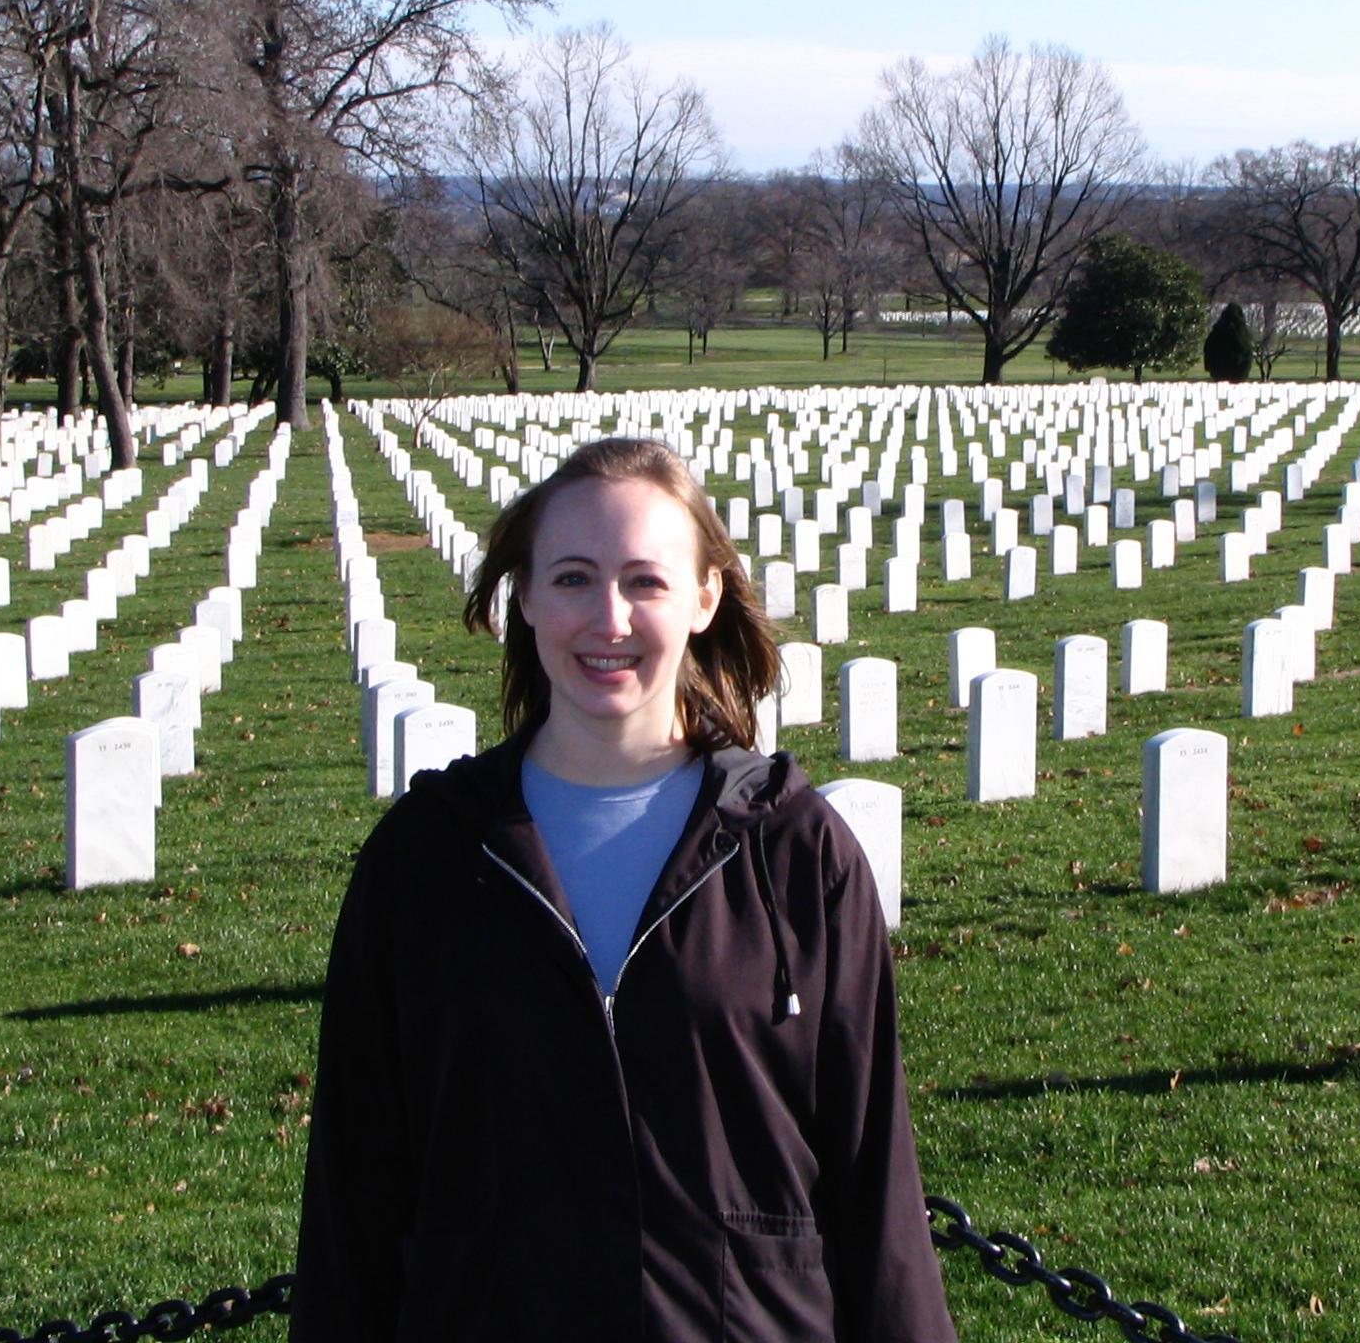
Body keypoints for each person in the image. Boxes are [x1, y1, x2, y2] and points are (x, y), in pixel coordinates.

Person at [291, 435, 957, 1343]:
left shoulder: (796, 852)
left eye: (645, 581)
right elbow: (355, 1195)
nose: (609, 619)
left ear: (704, 597)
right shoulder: (427, 859)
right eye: (573, 578)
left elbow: (874, 1177)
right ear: (526, 597)